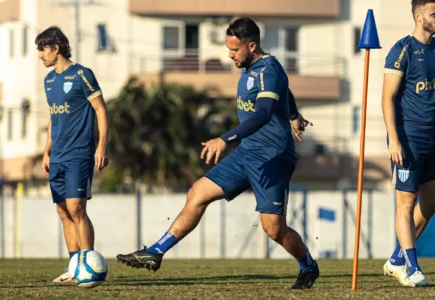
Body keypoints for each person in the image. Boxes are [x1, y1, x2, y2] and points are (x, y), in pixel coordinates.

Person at [116, 17, 318, 289]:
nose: (230, 55)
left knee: (273, 229)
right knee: (198, 193)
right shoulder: (251, 67)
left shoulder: (268, 70)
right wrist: (294, 115)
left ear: (252, 46)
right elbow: (286, 91)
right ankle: (156, 251)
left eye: (235, 50)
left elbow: (263, 113)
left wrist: (225, 139)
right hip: (247, 152)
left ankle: (308, 266)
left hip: (273, 157)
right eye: (228, 48)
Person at [35, 26, 109, 283]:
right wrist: (46, 152)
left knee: (77, 208)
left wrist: (101, 146)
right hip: (57, 157)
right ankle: (74, 267)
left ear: (56, 48)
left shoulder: (82, 74)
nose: (39, 55)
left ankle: (89, 266)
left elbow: (100, 110)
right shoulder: (48, 81)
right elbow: (53, 118)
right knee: (63, 211)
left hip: (79, 153)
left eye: (42, 49)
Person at [381, 0, 435, 287]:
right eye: (433, 13)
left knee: (430, 203)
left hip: (433, 138)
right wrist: (394, 140)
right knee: (406, 202)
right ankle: (412, 269)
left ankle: (397, 259)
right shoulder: (402, 49)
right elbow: (387, 97)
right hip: (409, 138)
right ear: (418, 15)